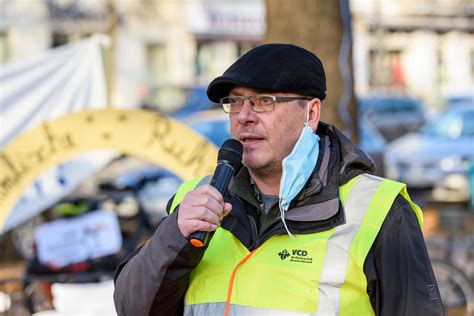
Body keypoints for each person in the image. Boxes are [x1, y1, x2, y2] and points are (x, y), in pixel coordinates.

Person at [113, 43, 444, 315]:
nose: (244, 116)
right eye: (236, 102)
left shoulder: (379, 210)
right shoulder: (196, 199)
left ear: (310, 113)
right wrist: (176, 236)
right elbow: (131, 308)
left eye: (263, 101)